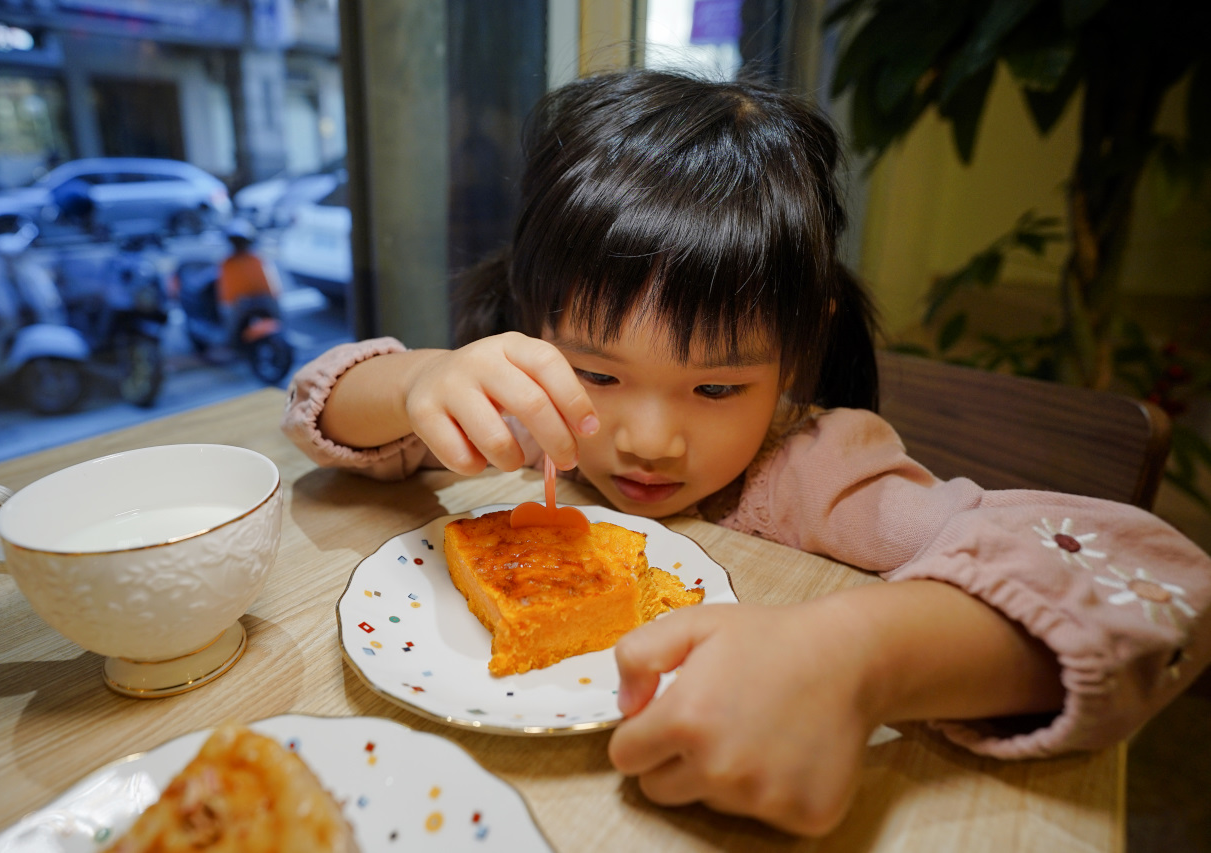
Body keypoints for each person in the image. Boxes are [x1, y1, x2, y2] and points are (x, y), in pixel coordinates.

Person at [281, 70, 1211, 836]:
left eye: (716, 388)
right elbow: (318, 412)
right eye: (595, 373)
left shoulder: (820, 473)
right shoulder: (531, 424)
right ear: (532, 328)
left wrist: (861, 654)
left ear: (804, 348)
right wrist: (418, 381)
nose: (647, 437)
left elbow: (1160, 577)